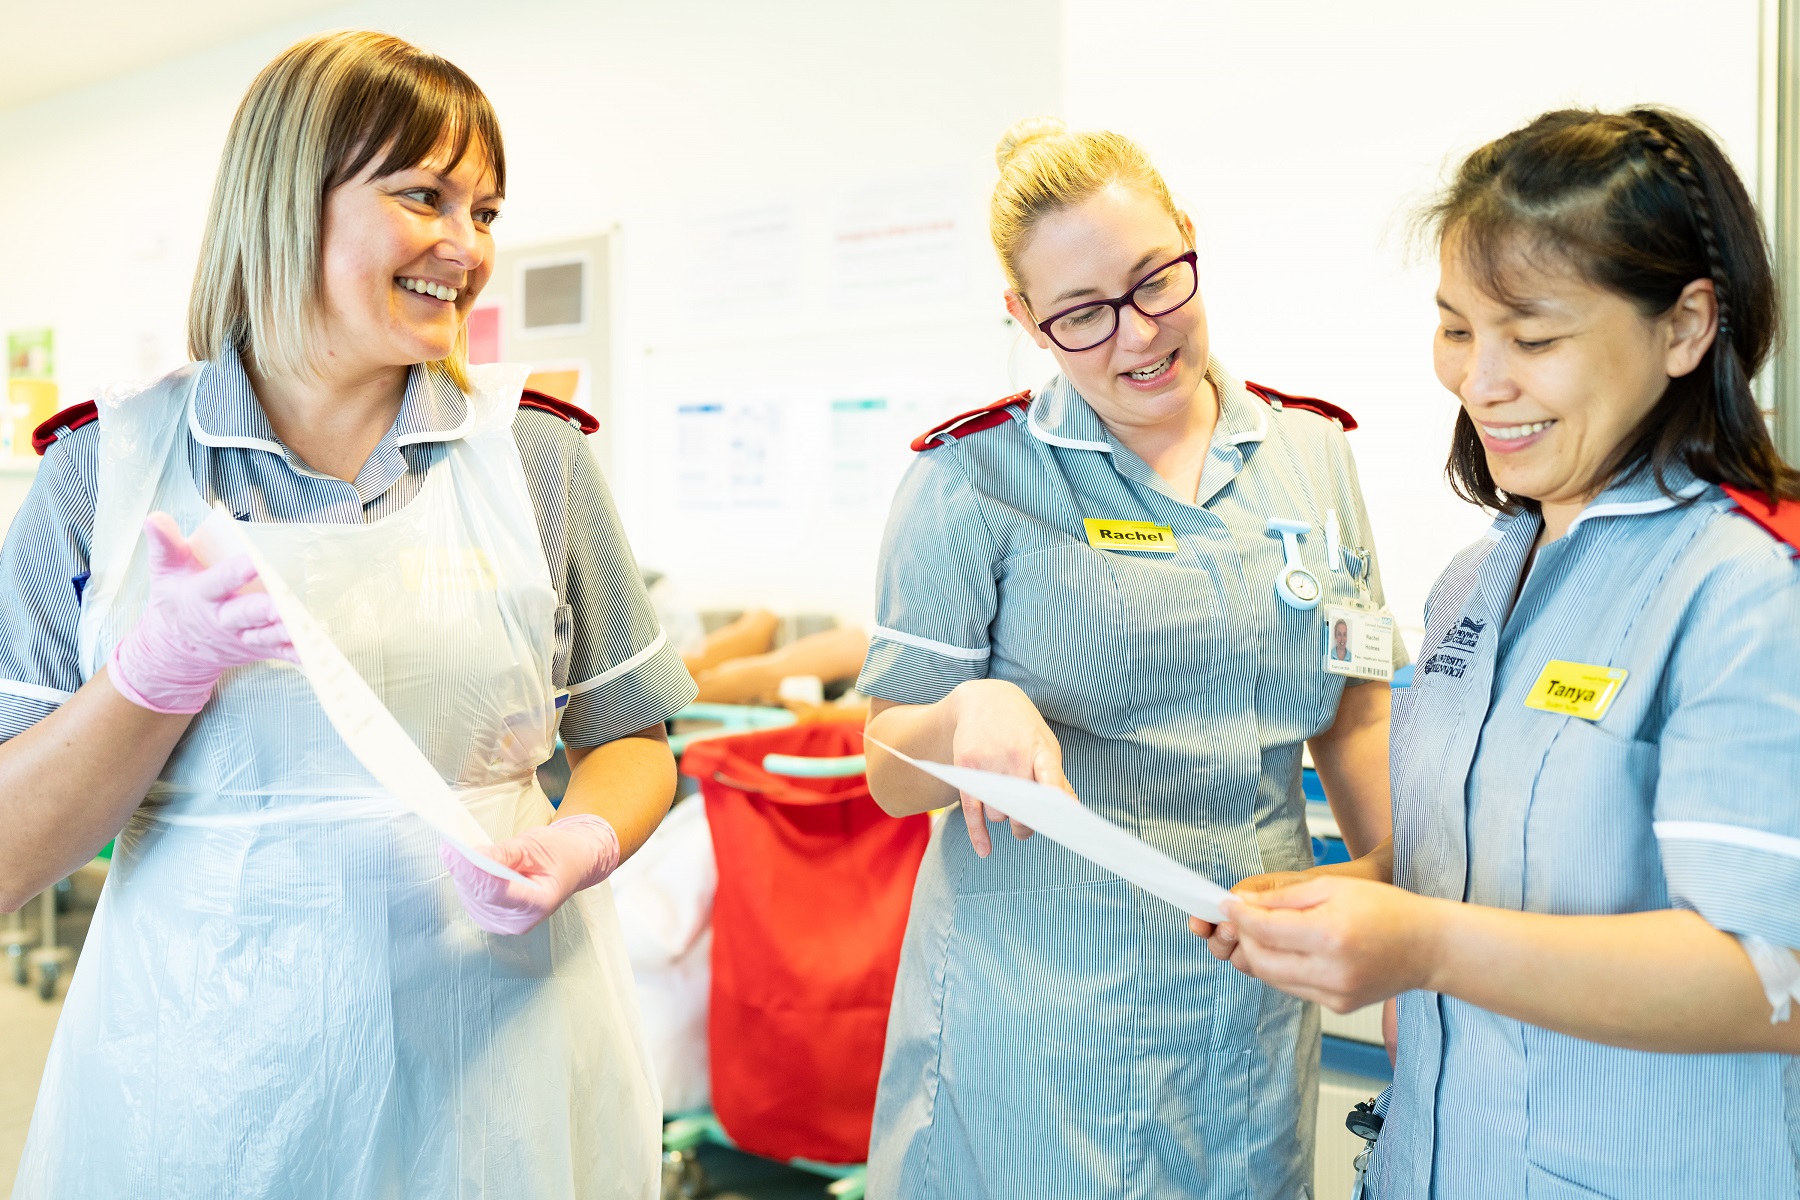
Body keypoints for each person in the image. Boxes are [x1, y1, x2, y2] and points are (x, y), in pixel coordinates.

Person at [0, 32, 694, 1199]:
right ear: (285, 201)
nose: (465, 246)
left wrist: (583, 840)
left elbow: (631, 741)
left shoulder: (532, 461)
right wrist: (150, 681)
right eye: (423, 195)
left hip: (500, 1056)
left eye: (483, 209)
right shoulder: (100, 475)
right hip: (208, 1074)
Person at [1195, 108, 1800, 1199]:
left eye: (1533, 338)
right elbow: (1477, 873)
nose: (1480, 381)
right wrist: (1341, 908)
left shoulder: (1751, 589)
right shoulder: (1478, 580)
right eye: (1456, 330)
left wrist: (1424, 945)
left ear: (1686, 326)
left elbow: (1778, 982)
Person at [858, 117, 1404, 1199]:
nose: (1137, 335)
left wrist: (1401, 904)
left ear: (1189, 240)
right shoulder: (976, 479)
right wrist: (973, 707)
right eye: (1082, 316)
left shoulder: (1312, 454)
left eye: (1156, 282)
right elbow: (885, 766)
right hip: (1044, 1010)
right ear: (1024, 319)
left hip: (1248, 994)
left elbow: (1355, 708)